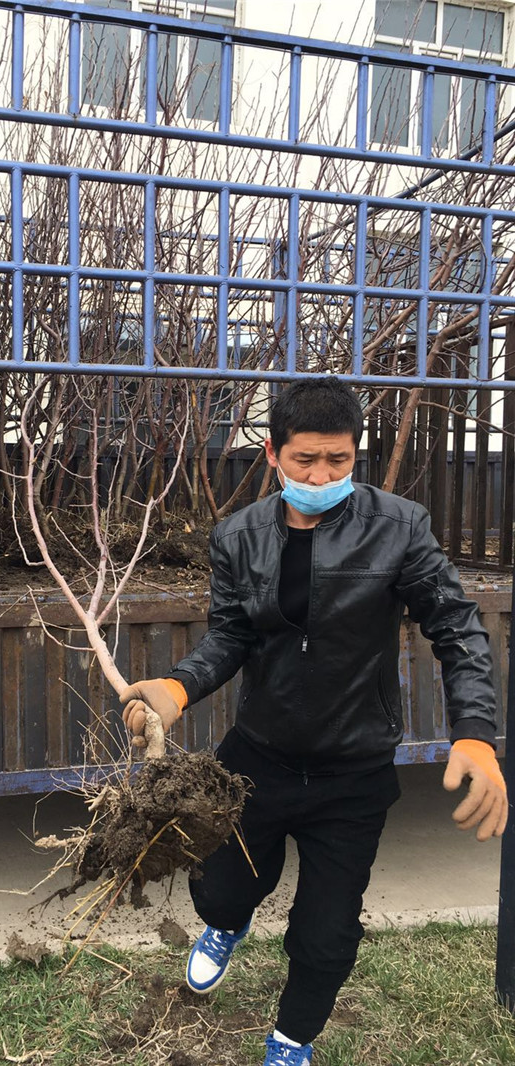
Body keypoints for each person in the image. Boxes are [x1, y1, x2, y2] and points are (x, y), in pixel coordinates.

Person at [120, 376, 508, 1066]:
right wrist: (178, 687)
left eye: (339, 461)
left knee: (327, 935)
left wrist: (475, 732)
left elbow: (457, 627)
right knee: (222, 890)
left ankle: (292, 1039)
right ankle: (226, 927)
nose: (322, 476)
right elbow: (231, 635)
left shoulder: (399, 528)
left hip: (353, 772)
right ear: (273, 453)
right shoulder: (238, 536)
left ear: (355, 454)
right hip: (258, 760)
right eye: (305, 460)